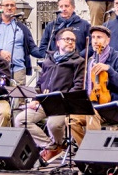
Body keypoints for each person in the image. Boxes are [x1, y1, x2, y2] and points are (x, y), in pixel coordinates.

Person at [14, 27, 85, 162]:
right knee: (20, 120)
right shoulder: (48, 60)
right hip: (44, 101)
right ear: (58, 43)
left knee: (53, 124)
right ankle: (52, 146)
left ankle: (57, 145)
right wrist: (35, 99)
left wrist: (65, 101)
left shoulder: (78, 62)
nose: (70, 42)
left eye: (73, 40)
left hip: (62, 103)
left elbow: (78, 86)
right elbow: (40, 83)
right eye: (67, 39)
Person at [70, 26, 118, 144]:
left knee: (91, 113)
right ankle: (86, 150)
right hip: (93, 103)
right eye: (93, 37)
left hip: (112, 106)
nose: (95, 40)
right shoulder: (90, 60)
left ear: (107, 40)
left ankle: (95, 153)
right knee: (71, 118)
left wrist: (109, 70)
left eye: (99, 37)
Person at [0, 0, 35, 84]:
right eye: (6, 5)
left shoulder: (22, 28)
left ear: (15, 9)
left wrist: (46, 52)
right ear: (0, 8)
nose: (9, 8)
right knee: (0, 97)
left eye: (12, 5)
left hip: (18, 70)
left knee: (18, 97)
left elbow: (32, 47)